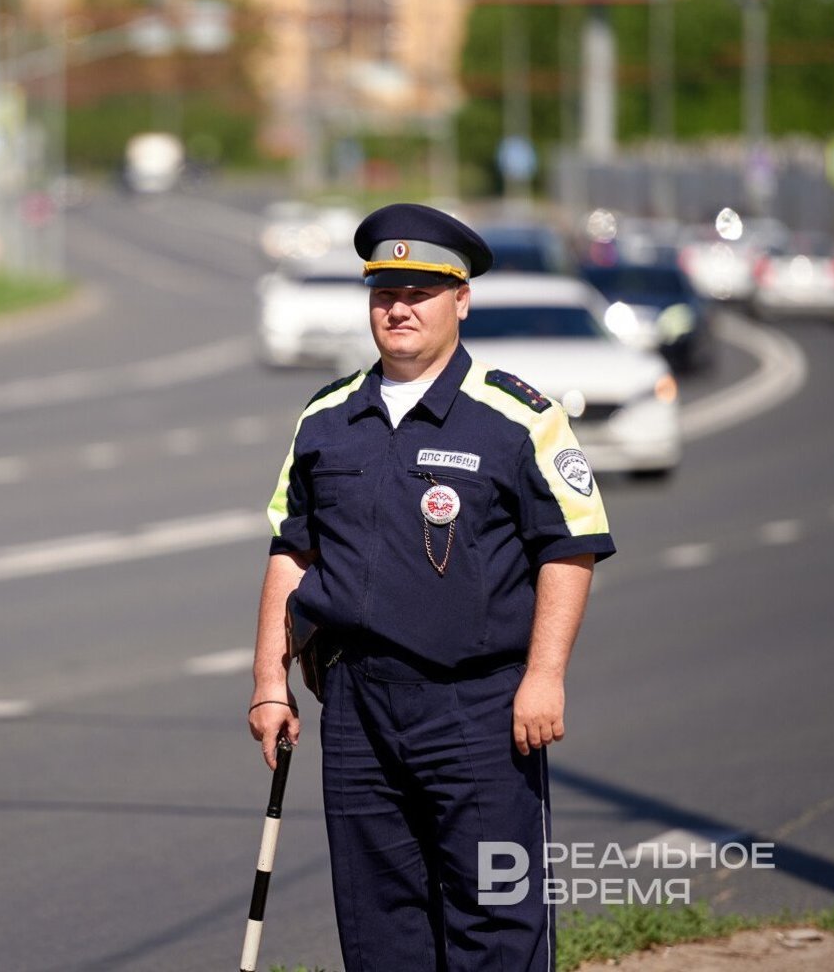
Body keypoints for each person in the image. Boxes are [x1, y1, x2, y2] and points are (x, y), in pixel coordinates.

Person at [247, 203, 616, 972]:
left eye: (420, 291)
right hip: (354, 707)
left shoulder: (517, 417)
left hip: (477, 706)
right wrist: (268, 685)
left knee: (493, 916)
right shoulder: (325, 418)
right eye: (385, 292)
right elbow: (292, 552)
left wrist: (545, 677)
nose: (400, 307)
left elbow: (568, 550)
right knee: (378, 921)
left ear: (461, 300)